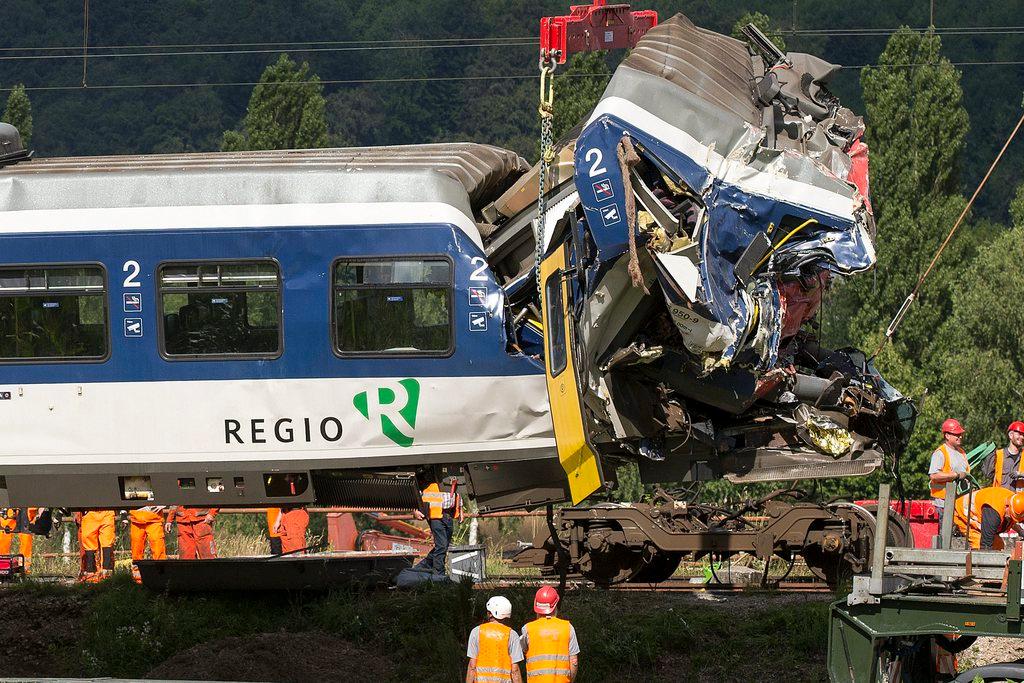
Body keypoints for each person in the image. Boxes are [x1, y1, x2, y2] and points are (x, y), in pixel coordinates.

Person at [520, 586, 579, 683]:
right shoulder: (568, 628)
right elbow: (574, 662)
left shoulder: (527, 629)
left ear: (536, 604)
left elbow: (517, 656)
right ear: (555, 604)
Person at [466, 595, 523, 683]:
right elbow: (515, 670)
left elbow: (472, 666)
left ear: (490, 613)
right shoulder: (512, 634)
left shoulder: (477, 632)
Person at [413, 472, 461, 574]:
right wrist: (415, 510)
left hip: (448, 515)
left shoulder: (449, 476)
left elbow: (457, 492)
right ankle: (438, 574)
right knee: (442, 546)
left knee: (443, 546)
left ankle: (422, 568)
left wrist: (460, 510)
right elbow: (416, 493)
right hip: (435, 515)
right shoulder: (427, 478)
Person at [953, 486, 1024, 549]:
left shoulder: (1016, 502)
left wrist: (1020, 531)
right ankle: (977, 563)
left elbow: (1011, 520)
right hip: (962, 514)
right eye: (1011, 515)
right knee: (978, 543)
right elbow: (986, 543)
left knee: (998, 545)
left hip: (983, 517)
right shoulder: (993, 513)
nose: (1011, 517)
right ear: (1007, 506)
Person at [929, 418, 970, 526]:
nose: (960, 436)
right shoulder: (940, 453)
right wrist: (956, 475)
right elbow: (934, 475)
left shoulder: (962, 452)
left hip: (960, 504)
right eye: (957, 434)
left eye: (960, 434)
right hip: (943, 504)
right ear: (947, 436)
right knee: (945, 537)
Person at [986, 421, 1024, 491]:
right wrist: (989, 456)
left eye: (1023, 435)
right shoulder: (998, 455)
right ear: (1010, 435)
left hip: (1019, 499)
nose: (1022, 437)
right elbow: (988, 475)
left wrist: (1021, 474)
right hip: (1000, 498)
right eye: (1019, 434)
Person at [80, 510, 116, 582]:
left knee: (107, 543)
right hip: (89, 512)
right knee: (89, 545)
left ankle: (107, 577)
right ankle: (91, 577)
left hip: (107, 511)